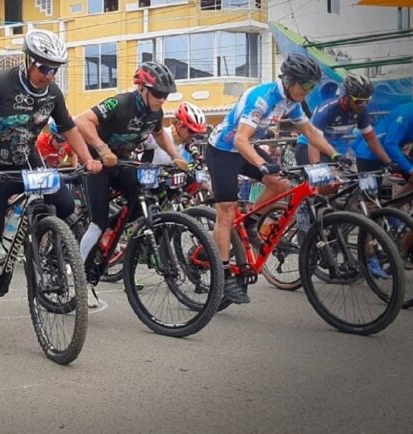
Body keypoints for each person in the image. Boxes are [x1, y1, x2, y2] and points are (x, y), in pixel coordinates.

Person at [0, 28, 102, 328]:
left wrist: (89, 159)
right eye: (44, 67)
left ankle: (38, 246)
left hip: (27, 164)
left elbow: (69, 128)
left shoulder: (53, 94)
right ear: (28, 61)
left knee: (66, 206)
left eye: (55, 69)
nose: (49, 75)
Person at [206, 54, 348, 305]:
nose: (308, 91)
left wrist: (335, 154)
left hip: (245, 148)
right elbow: (240, 139)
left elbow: (309, 131)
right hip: (222, 151)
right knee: (226, 211)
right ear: (290, 80)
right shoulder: (261, 98)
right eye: (305, 86)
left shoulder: (291, 101)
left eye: (312, 87)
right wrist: (262, 164)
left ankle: (250, 221)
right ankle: (224, 274)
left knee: (281, 184)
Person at [74, 61, 188, 308]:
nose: (162, 100)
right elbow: (81, 121)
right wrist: (102, 148)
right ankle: (81, 280)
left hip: (122, 163)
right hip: (96, 163)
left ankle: (114, 230)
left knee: (148, 197)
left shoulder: (155, 112)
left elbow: (159, 134)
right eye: (158, 94)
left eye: (166, 95)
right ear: (142, 88)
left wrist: (175, 156)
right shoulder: (120, 103)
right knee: (98, 221)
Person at [296, 73, 390, 166]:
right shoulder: (327, 110)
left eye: (367, 101)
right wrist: (317, 169)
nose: (363, 105)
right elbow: (313, 141)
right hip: (308, 146)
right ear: (346, 96)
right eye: (359, 101)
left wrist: (388, 162)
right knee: (325, 177)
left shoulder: (361, 111)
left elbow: (371, 139)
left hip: (331, 150)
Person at [144, 101, 207, 167]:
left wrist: (194, 164)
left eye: (197, 132)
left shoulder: (184, 144)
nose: (194, 135)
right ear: (179, 125)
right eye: (192, 131)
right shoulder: (159, 136)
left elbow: (187, 167)